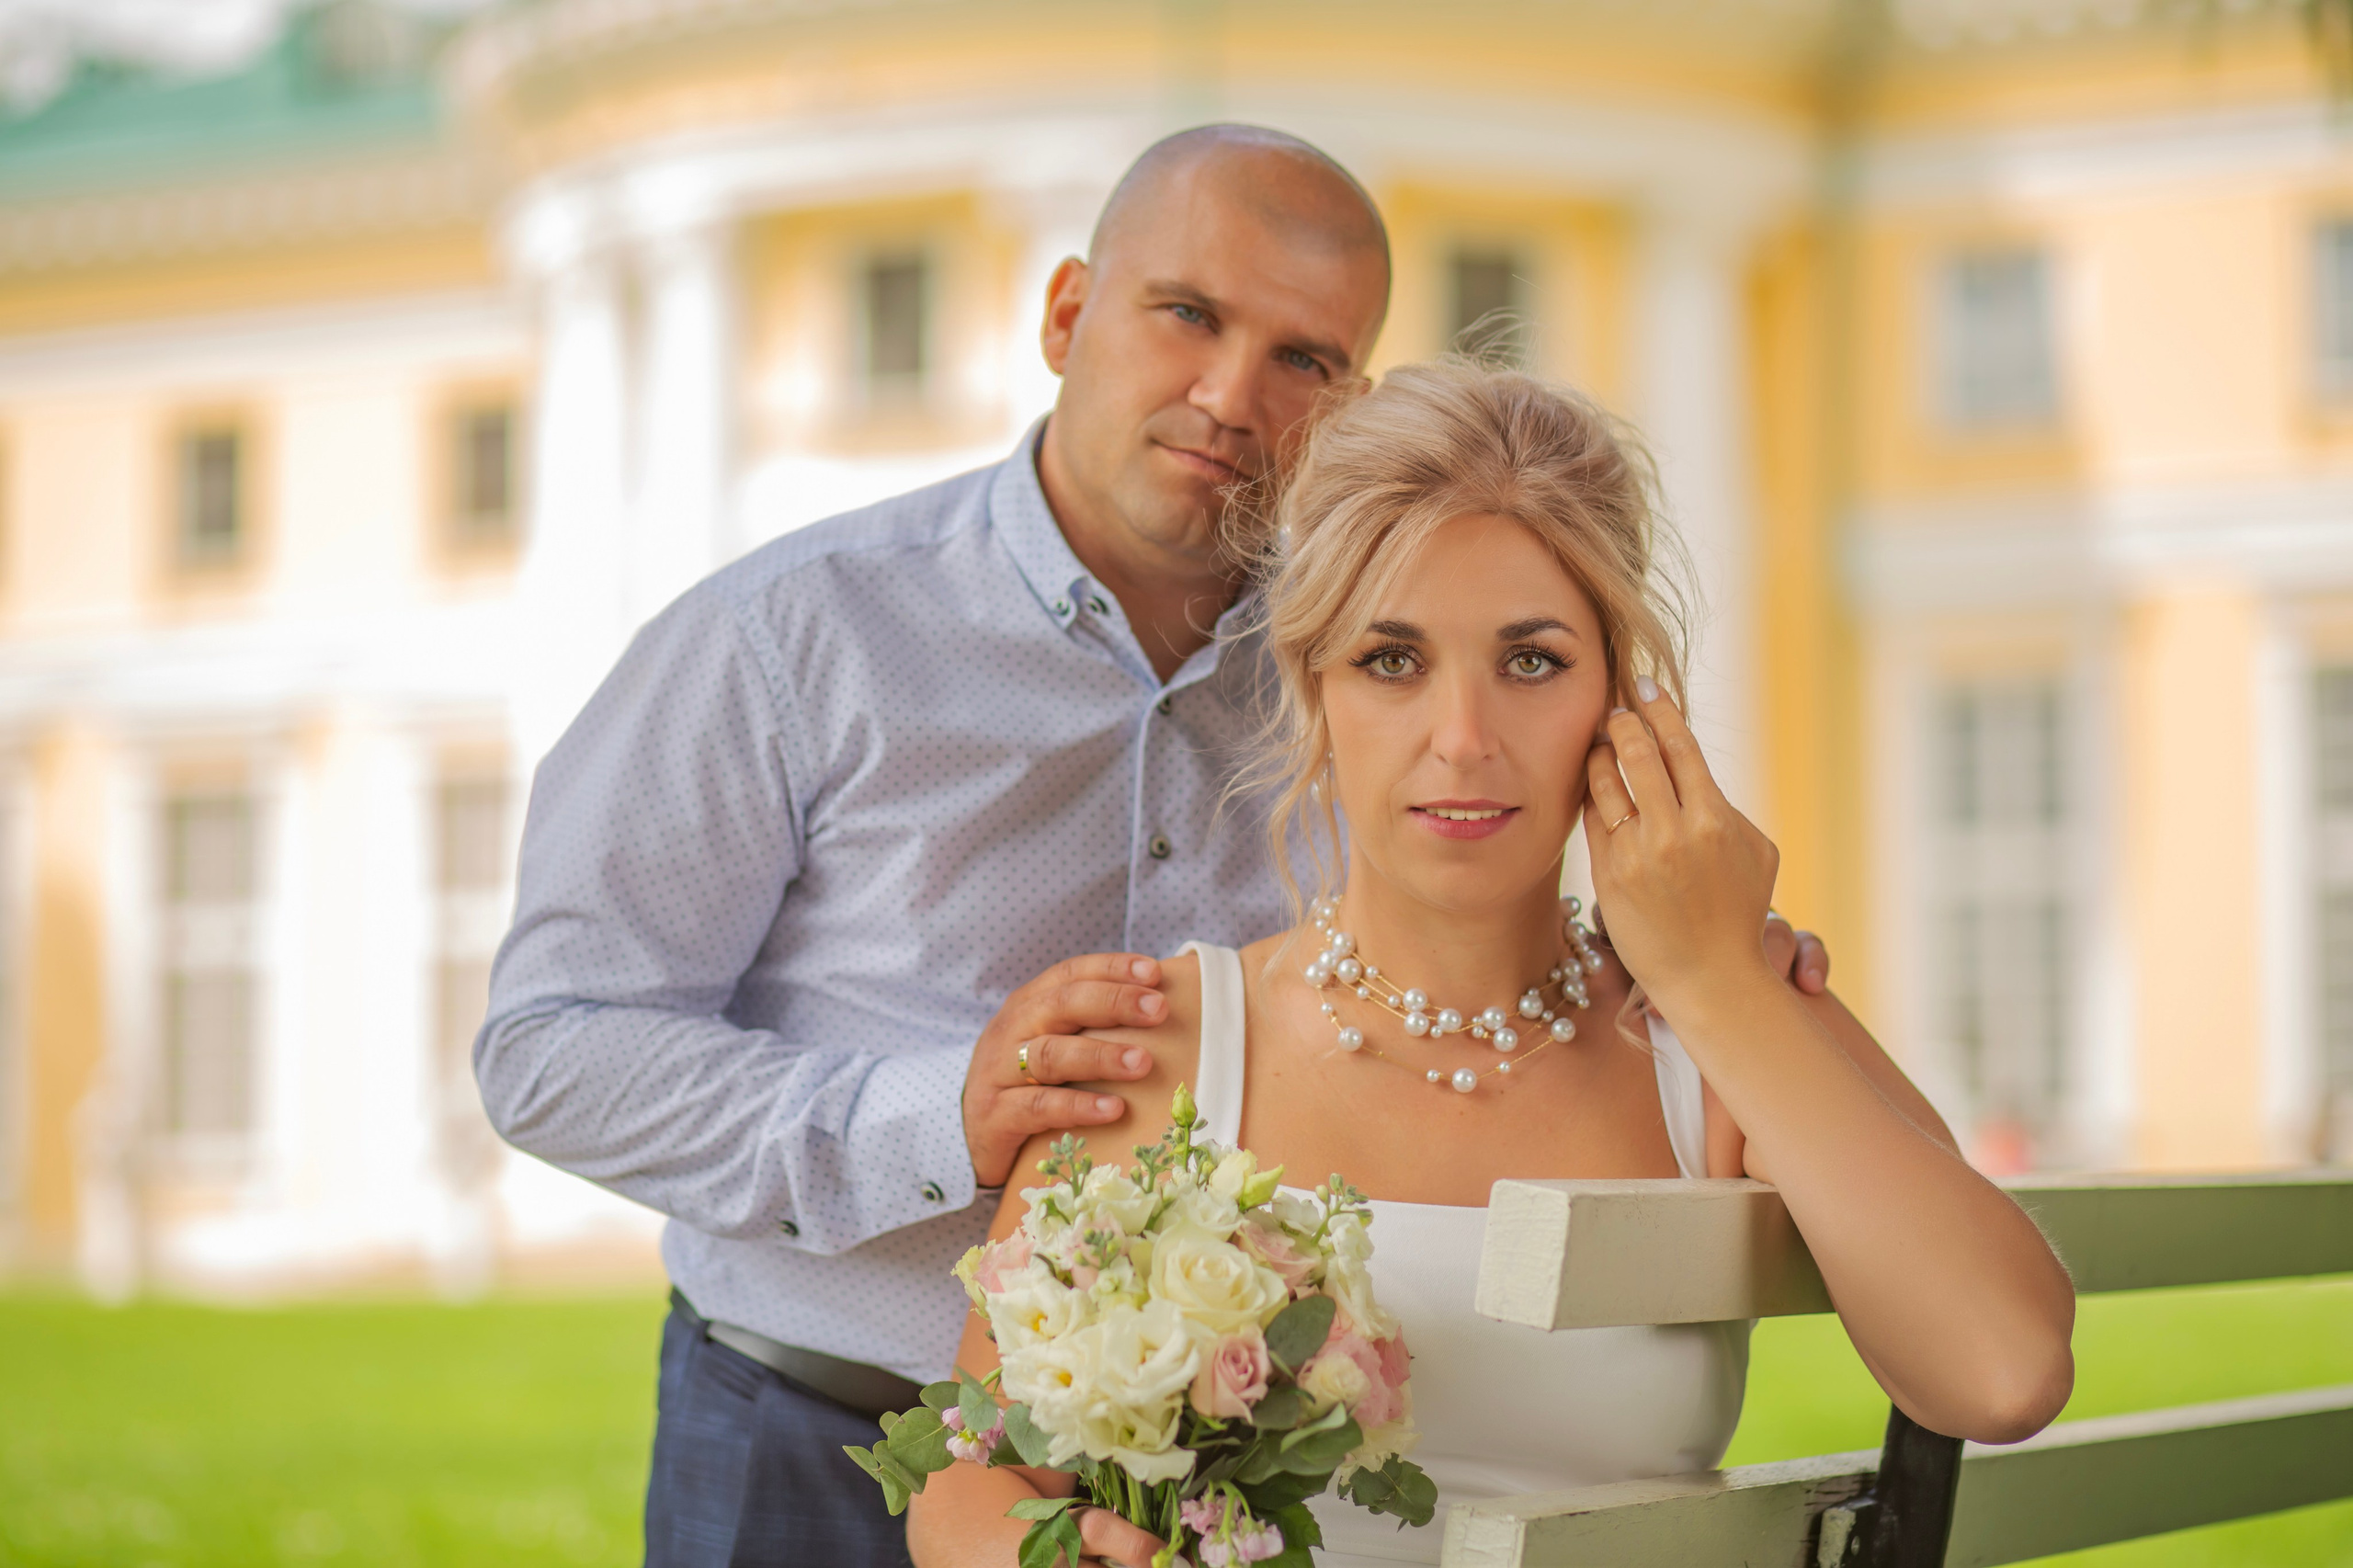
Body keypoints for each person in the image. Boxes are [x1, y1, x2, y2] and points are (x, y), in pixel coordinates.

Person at [477, 126, 1828, 1566]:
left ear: (1349, 397)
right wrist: (937, 1121)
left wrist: (1689, 959)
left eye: (1305, 358)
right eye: (1186, 313)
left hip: (1203, 1492)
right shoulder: (788, 638)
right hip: (809, 1441)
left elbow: (1461, 899)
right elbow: (551, 1047)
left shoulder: (1365, 663)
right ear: (1067, 315)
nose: (1231, 394)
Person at [906, 362, 2075, 1568]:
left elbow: (2004, 1370)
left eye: (1530, 661)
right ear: (1313, 685)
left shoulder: (1714, 1034)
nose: (1462, 740)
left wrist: (1718, 980)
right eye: (1393, 661)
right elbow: (971, 1476)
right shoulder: (1160, 1051)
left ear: (1624, 698)